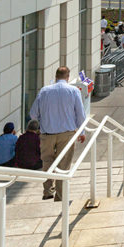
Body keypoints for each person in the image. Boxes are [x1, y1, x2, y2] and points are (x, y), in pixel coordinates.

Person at [29, 66, 86, 201]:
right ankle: (60, 196)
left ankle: (47, 190)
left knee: (47, 161)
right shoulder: (73, 91)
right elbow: (80, 114)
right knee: (64, 164)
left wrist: (41, 122)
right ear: (67, 77)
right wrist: (81, 131)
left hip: (47, 133)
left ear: (55, 77)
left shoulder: (44, 91)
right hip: (67, 133)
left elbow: (33, 114)